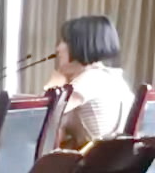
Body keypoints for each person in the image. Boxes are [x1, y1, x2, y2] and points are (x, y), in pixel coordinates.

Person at [51, 15, 134, 147]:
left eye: (64, 41)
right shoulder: (111, 76)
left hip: (94, 158)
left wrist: (55, 83)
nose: (58, 48)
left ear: (80, 44)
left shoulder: (88, 80)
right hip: (115, 157)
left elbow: (41, 118)